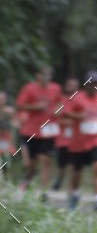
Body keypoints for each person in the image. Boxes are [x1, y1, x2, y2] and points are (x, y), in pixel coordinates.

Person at [67, 71, 97, 210]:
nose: (94, 86)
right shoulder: (77, 97)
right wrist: (79, 115)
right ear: (86, 84)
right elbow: (65, 112)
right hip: (78, 142)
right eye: (91, 84)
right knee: (77, 172)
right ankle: (75, 194)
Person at [16, 66, 63, 198]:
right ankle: (28, 180)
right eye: (43, 74)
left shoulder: (56, 88)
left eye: (49, 75)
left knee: (46, 160)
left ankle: (44, 192)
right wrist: (36, 106)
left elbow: (61, 104)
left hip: (48, 130)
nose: (47, 77)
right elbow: (20, 105)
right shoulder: (29, 88)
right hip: (31, 130)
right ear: (38, 76)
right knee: (30, 164)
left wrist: (58, 111)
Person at [53, 77, 79, 191]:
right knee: (62, 164)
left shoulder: (80, 100)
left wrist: (70, 117)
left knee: (72, 165)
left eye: (73, 85)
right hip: (62, 138)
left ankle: (70, 187)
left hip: (76, 139)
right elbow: (56, 115)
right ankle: (59, 179)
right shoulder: (62, 100)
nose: (71, 87)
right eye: (69, 85)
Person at [0, 92, 17, 178]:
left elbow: (15, 124)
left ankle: (7, 177)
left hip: (7, 137)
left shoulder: (9, 111)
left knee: (7, 157)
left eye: (2, 99)